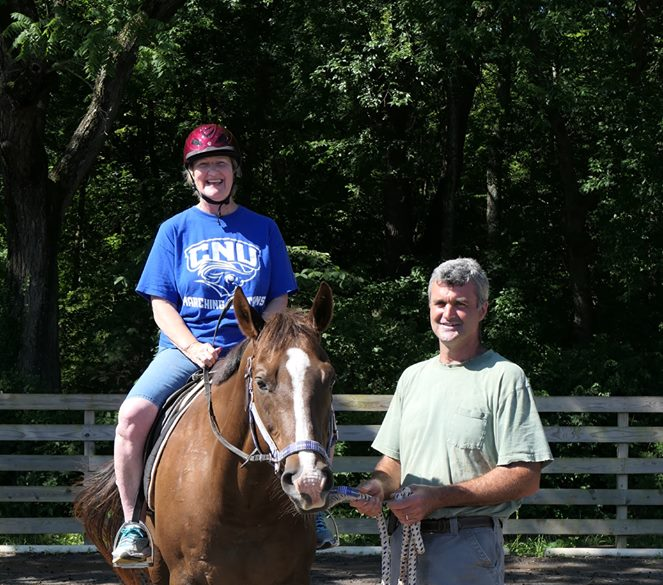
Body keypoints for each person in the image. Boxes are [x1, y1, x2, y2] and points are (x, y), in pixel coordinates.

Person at [111, 123, 316, 566]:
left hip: (254, 350)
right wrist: (191, 348)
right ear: (191, 176)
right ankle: (132, 524)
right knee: (131, 417)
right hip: (187, 350)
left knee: (306, 397)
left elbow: (279, 295)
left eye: (220, 163)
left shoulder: (263, 229)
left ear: (234, 170)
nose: (212, 173)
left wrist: (265, 342)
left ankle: (315, 506)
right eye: (203, 166)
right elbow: (161, 302)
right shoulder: (175, 230)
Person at [351, 257, 552, 585]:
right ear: (429, 307)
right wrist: (376, 488)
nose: (448, 313)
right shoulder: (413, 377)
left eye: (461, 304)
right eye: (440, 302)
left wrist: (437, 497)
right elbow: (394, 462)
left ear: (482, 310)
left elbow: (525, 477)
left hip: (465, 546)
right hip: (406, 543)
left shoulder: (504, 377)